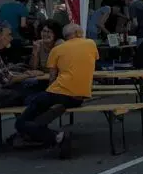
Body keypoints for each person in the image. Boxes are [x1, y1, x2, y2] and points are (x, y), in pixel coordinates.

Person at [15, 24, 98, 158]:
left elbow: (52, 78)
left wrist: (48, 93)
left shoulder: (57, 50)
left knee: (22, 119)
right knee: (37, 110)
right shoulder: (91, 44)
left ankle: (57, 137)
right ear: (78, 33)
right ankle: (42, 132)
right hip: (80, 97)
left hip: (59, 92)